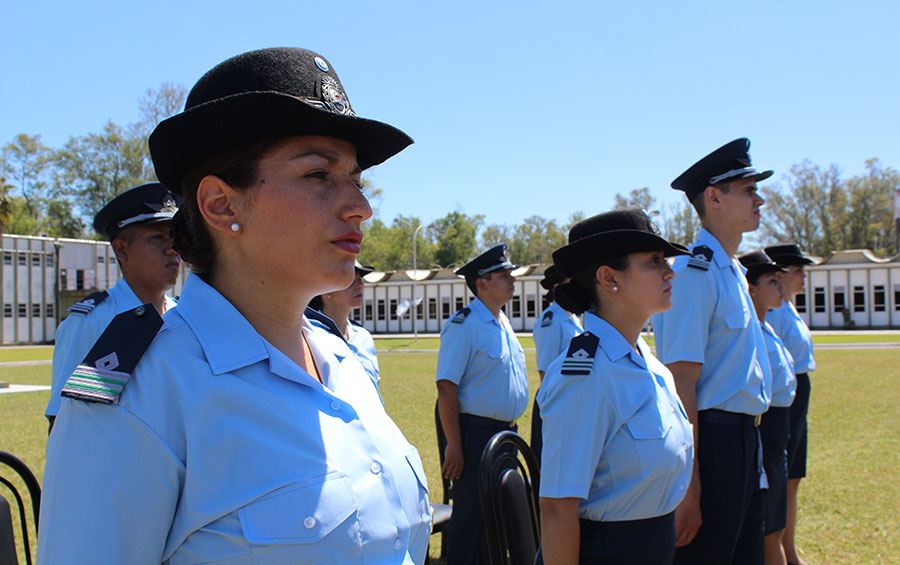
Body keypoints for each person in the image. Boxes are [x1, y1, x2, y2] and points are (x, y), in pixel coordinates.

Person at [38, 47, 432, 564]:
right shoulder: (145, 390)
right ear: (221, 205)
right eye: (319, 174)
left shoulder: (344, 363)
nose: (361, 205)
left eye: (356, 178)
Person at [537, 208, 694, 564]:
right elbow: (558, 510)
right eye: (654, 261)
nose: (670, 271)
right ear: (609, 278)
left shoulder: (649, 363)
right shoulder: (584, 376)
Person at [651, 138, 773, 565]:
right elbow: (682, 381)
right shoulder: (695, 272)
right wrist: (690, 481)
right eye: (748, 190)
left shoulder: (734, 270)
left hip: (745, 438)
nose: (760, 199)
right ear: (714, 197)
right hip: (714, 442)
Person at [44, 182, 180, 432]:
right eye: (157, 238)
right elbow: (64, 422)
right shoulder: (94, 321)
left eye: (174, 238)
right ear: (121, 249)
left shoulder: (182, 317)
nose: (172, 249)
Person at [435, 243, 529, 565]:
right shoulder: (465, 324)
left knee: (496, 513)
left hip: (505, 434)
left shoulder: (502, 322)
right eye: (503, 274)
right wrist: (454, 445)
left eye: (510, 273)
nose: (511, 279)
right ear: (482, 283)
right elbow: (447, 387)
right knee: (472, 514)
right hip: (475, 434)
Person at [740, 250, 797, 565]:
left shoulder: (767, 327)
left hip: (779, 430)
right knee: (767, 523)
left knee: (775, 517)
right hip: (765, 427)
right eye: (772, 281)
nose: (781, 286)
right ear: (751, 289)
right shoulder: (749, 332)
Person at [764, 243, 816, 565]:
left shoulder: (788, 309)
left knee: (793, 479)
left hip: (798, 396)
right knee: (781, 482)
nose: (802, 276)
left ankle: (789, 550)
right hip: (784, 401)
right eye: (797, 270)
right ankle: (778, 552)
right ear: (779, 273)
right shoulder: (775, 313)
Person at [530, 264, 582, 465]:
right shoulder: (551, 320)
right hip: (555, 401)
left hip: (573, 399)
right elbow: (546, 370)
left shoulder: (574, 317)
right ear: (557, 288)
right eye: (571, 283)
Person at [308, 261, 381, 393]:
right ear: (325, 290)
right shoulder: (308, 336)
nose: (360, 286)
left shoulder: (363, 336)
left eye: (361, 280)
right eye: (351, 280)